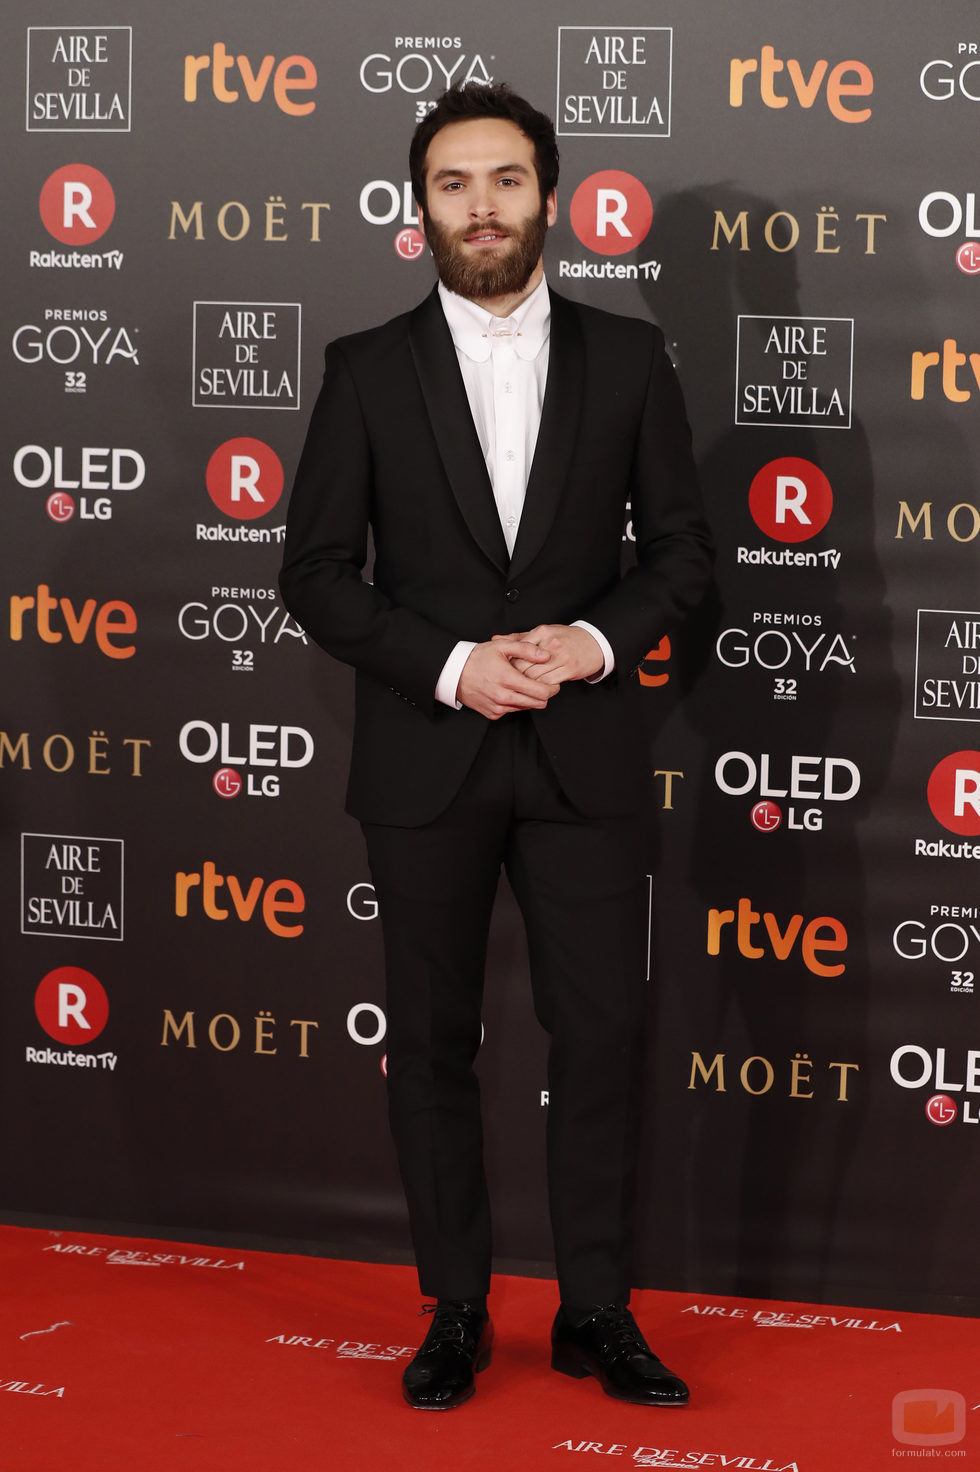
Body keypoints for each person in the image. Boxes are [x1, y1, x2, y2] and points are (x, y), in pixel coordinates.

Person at [280, 82, 712, 1411]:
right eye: (457, 183)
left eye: (508, 180)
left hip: (584, 754)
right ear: (420, 211)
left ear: (550, 196)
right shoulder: (364, 367)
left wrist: (587, 645)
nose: (483, 205)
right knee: (431, 1043)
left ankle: (595, 1310)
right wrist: (460, 668)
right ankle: (457, 1310)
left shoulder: (631, 361)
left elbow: (687, 557)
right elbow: (317, 573)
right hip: (429, 753)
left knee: (604, 1034)